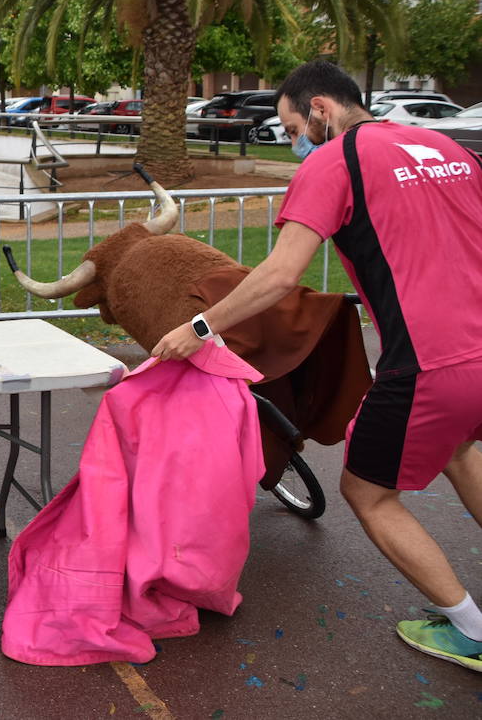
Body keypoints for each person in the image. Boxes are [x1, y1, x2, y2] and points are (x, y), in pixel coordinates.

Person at [152, 60, 482, 672]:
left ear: (320, 110)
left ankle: (473, 632)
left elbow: (280, 275)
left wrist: (200, 327)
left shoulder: (335, 162)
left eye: (290, 127)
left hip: (431, 363)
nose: (293, 141)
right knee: (460, 450)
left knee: (368, 492)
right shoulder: (446, 145)